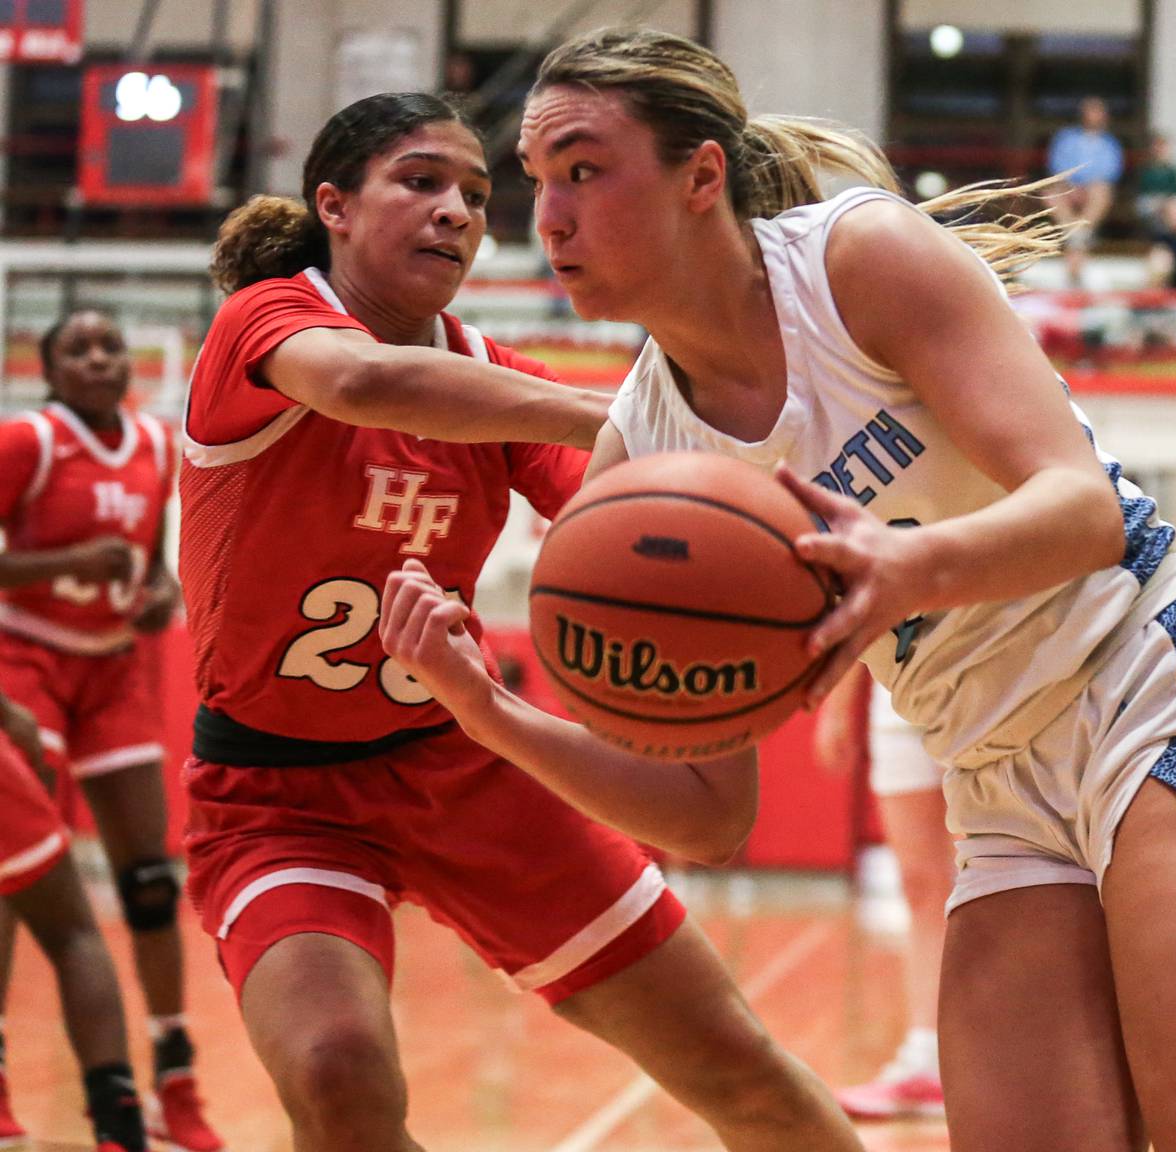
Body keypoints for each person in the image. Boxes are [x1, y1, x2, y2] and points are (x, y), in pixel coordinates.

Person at [407, 26, 1176, 1151]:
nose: (547, 216)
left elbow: (1084, 506)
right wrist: (491, 713)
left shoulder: (856, 262)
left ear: (701, 175)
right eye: (538, 181)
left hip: (1155, 688)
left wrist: (909, 567)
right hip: (994, 782)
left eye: (584, 171)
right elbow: (710, 817)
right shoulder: (643, 451)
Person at [181, 91, 861, 1152]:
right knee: (336, 1071)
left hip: (462, 767)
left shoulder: (499, 386)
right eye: (420, 181)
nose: (456, 210)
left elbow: (633, 514)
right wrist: (624, 410)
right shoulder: (263, 323)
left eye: (474, 194)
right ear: (336, 207)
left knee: (743, 1071)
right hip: (276, 792)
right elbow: (364, 381)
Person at [0, 310, 220, 1152]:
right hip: (29, 659)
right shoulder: (32, 441)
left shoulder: (158, 447)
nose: (99, 357)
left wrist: (161, 591)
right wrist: (64, 565)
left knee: (151, 885)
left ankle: (176, 1074)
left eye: (110, 345)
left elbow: (146, 558)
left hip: (114, 667)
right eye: (77, 350)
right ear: (51, 372)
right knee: (23, 877)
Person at [0, 686, 147, 1152]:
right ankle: (120, 1127)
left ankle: (138, 1104)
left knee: (148, 888)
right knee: (72, 932)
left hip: (101, 669)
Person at [812, 666, 948, 1120]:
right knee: (919, 884)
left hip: (990, 680)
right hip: (897, 693)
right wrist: (838, 705)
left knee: (993, 877)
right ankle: (927, 1058)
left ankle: (1003, 1054)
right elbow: (862, 597)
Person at [1045, 96, 1125, 285]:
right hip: (1069, 187)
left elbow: (1111, 171)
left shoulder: (1110, 144)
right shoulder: (1066, 138)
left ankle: (1077, 235)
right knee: (1051, 193)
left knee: (1101, 191)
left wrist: (1087, 184)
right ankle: (1079, 235)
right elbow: (1057, 163)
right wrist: (1073, 183)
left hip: (1094, 188)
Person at [1134, 132, 1176, 236]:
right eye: (1157, 146)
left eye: (1163, 146)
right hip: (1147, 201)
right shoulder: (1145, 168)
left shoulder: (1172, 170)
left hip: (1167, 202)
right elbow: (1143, 190)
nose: (1159, 150)